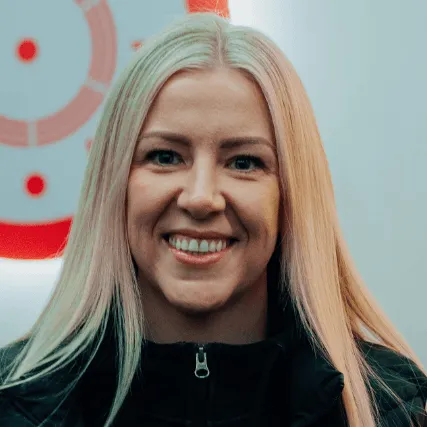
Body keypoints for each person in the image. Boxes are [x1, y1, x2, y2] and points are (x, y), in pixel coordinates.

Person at [0, 12, 426, 427]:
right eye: (165, 156)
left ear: (291, 194)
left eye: (244, 162)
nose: (201, 198)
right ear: (115, 184)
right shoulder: (15, 405)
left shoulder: (397, 410)